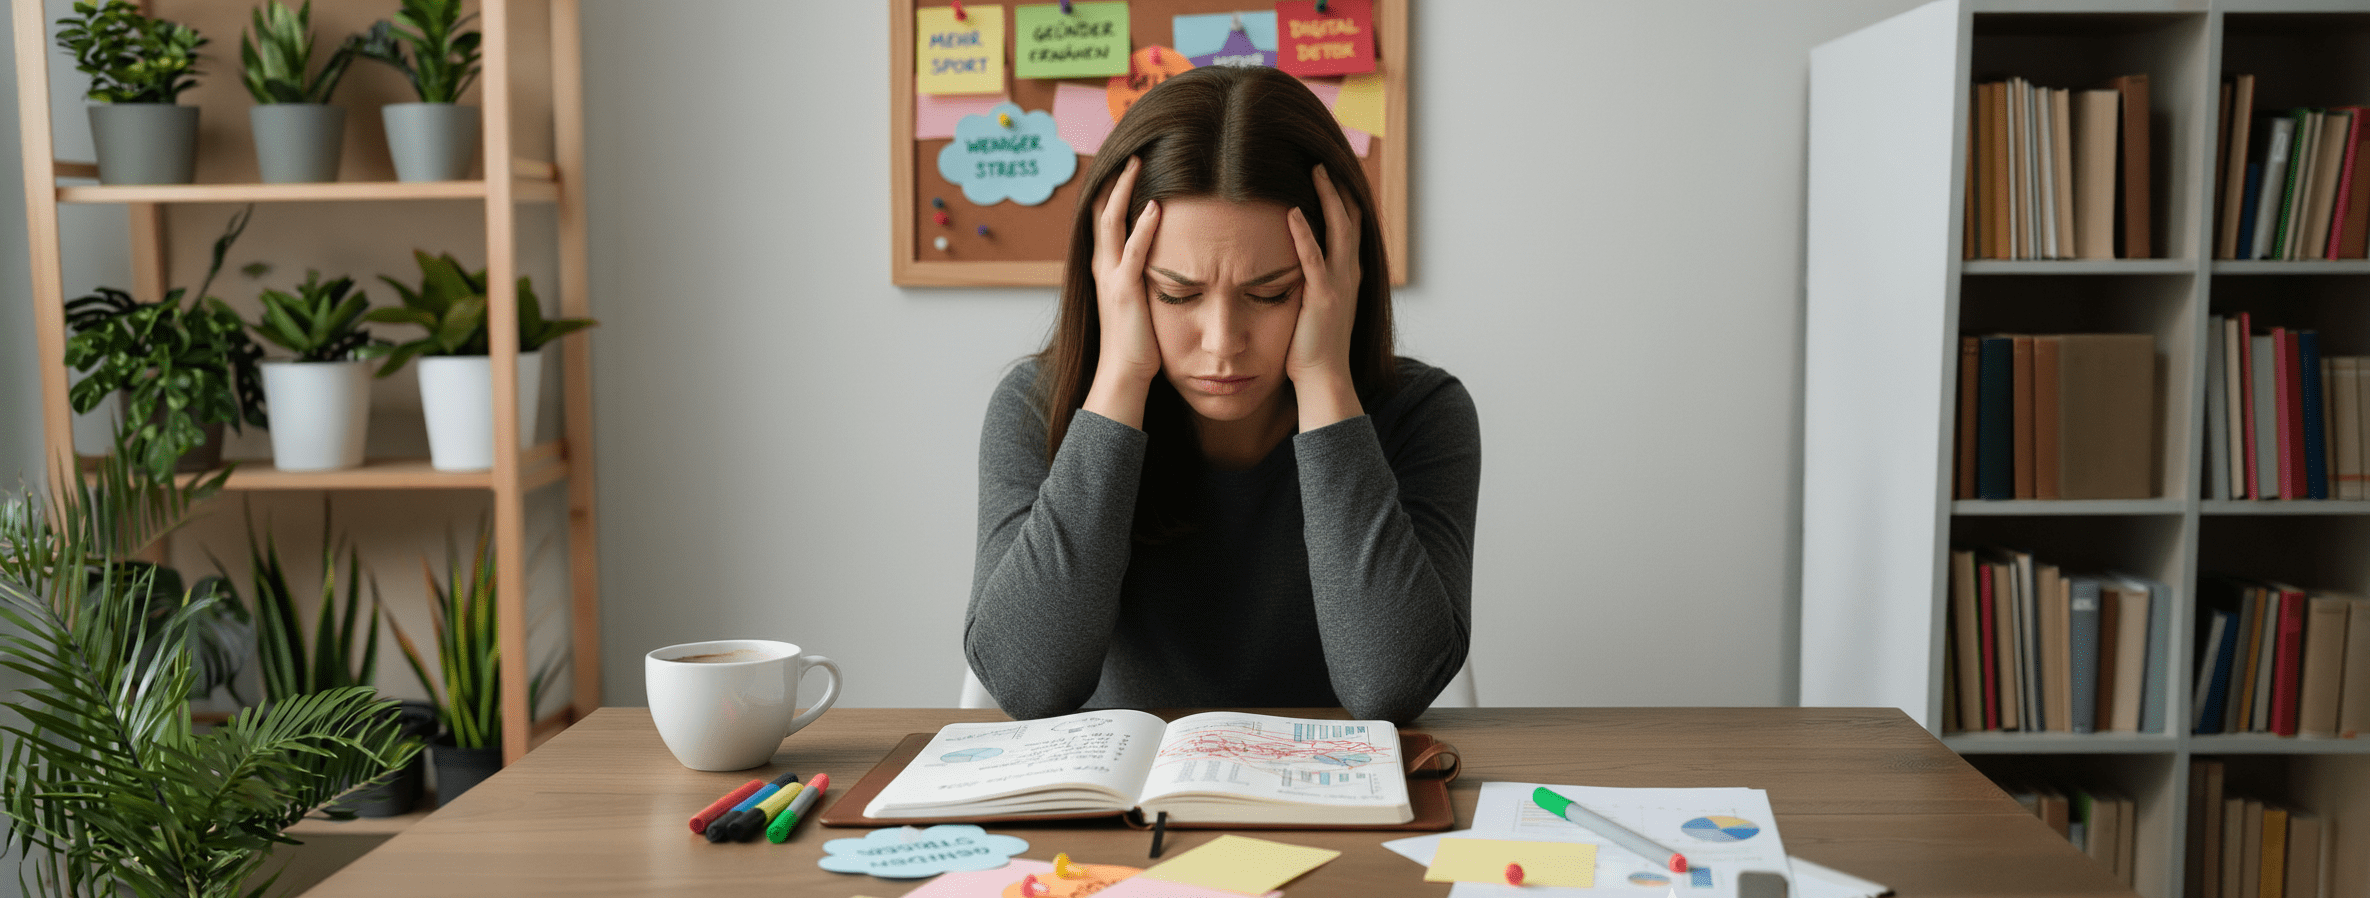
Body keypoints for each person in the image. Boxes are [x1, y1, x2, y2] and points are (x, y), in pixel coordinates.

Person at [964, 65, 1479, 725]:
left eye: (1271, 293)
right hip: (1119, 814)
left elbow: (1390, 688)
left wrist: (1323, 374)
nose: (1223, 341)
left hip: (1332, 806)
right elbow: (1028, 684)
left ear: (1341, 275)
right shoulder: (1036, 407)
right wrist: (1122, 373)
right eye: (1176, 294)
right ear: (1115, 279)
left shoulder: (1423, 415)